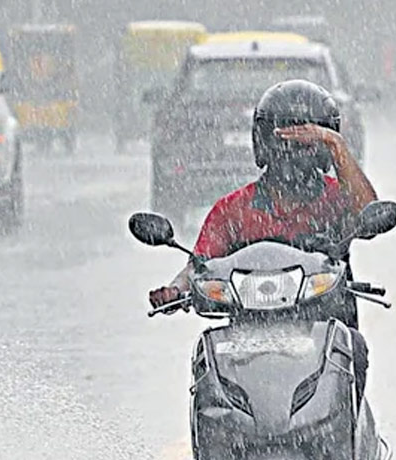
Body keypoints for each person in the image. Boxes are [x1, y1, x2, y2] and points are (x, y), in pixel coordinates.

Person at [149, 79, 377, 403]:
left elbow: (369, 213)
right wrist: (176, 290)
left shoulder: (338, 200)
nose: (295, 151)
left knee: (355, 348)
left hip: (324, 334)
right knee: (206, 366)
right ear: (263, 144)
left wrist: (337, 145)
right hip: (246, 343)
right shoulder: (233, 210)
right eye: (285, 139)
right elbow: (199, 263)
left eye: (308, 142)